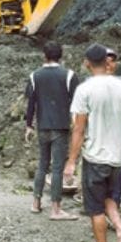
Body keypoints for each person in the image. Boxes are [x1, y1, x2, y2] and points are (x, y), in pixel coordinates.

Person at [65, 43, 121, 242]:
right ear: (107, 62)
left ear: (87, 63)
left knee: (95, 208)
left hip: (95, 158)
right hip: (118, 157)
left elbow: (78, 128)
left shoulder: (84, 90)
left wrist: (71, 161)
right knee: (110, 200)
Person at [24, 41, 79, 220]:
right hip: (61, 127)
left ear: (44, 56)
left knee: (42, 164)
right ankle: (56, 209)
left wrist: (29, 126)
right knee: (57, 168)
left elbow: (31, 103)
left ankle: (36, 203)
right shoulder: (69, 75)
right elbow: (76, 103)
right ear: (61, 55)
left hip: (42, 126)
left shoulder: (34, 76)